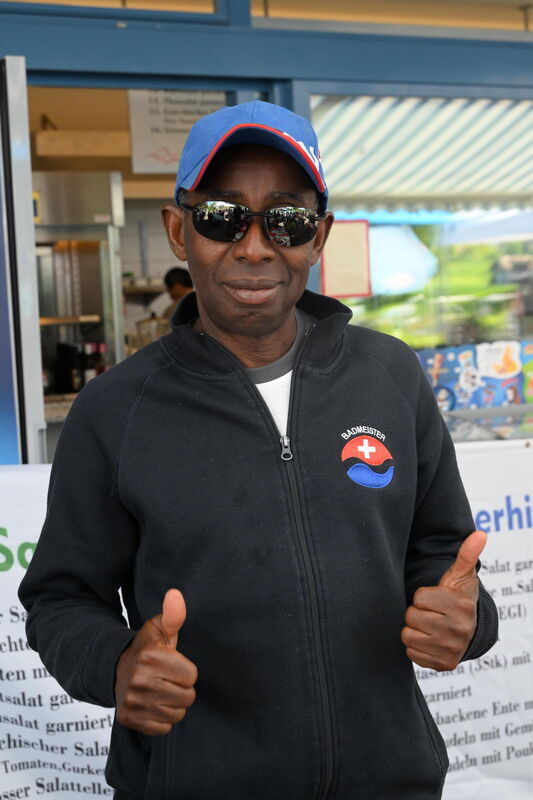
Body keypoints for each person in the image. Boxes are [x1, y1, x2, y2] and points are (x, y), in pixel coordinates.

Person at [19, 101, 498, 800]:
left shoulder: (389, 374)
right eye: (222, 218)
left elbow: (442, 556)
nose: (253, 247)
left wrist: (468, 620)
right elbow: (61, 598)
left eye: (286, 220)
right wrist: (117, 662)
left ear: (318, 236)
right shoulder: (115, 410)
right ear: (178, 230)